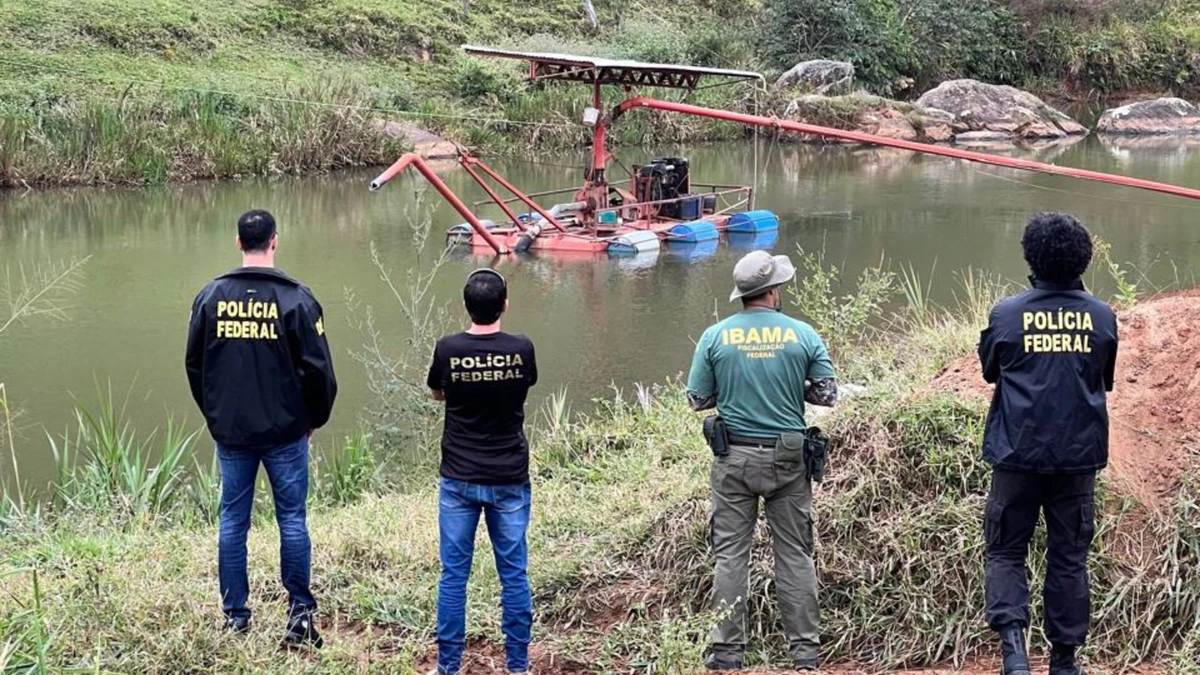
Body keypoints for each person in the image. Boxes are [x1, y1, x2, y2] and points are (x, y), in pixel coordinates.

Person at [185, 209, 337, 648]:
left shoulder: (211, 297)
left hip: (232, 433)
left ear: (238, 243)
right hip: (288, 433)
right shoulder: (297, 300)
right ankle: (300, 618)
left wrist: (215, 415)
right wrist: (314, 420)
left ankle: (235, 618)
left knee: (233, 523)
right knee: (292, 520)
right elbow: (320, 372)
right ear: (275, 241)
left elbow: (195, 365)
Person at [978, 213, 1119, 675]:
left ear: (1029, 257)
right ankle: (1064, 661)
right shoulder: (1101, 316)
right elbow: (1105, 379)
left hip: (1015, 456)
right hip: (1077, 460)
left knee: (1004, 550)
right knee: (1069, 556)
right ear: (1083, 258)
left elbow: (989, 371)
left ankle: (1014, 656)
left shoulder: (1006, 313)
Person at [686, 250, 838, 671]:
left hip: (732, 459)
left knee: (731, 556)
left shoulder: (715, 336)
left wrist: (733, 389)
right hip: (788, 460)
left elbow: (697, 399)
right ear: (773, 292)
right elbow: (827, 395)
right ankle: (805, 655)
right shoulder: (803, 334)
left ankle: (727, 655)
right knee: (794, 554)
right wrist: (792, 387)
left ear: (743, 295)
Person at [426, 268, 538, 675]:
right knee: (514, 574)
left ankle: (449, 667)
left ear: (465, 306)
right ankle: (518, 666)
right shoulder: (522, 348)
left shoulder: (447, 348)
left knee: (454, 575)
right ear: (504, 305)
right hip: (509, 476)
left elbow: (437, 391)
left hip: (458, 477)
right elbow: (526, 384)